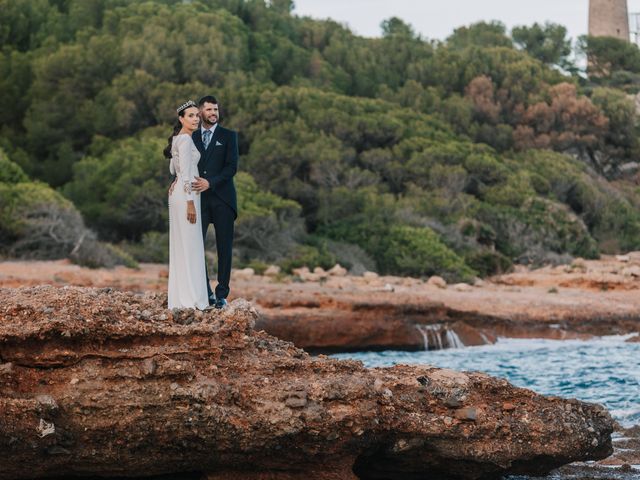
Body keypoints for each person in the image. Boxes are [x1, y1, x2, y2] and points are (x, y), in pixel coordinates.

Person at [191, 95, 239, 309]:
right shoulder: (190, 137)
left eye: (216, 109)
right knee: (196, 246)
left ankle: (221, 294)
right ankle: (206, 291)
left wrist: (211, 182)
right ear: (201, 112)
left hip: (223, 200)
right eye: (209, 109)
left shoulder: (229, 136)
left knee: (224, 248)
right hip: (199, 201)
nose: (213, 113)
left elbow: (231, 168)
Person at [165, 100, 209, 310]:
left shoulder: (178, 139)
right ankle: (193, 300)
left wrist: (177, 180)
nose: (195, 119)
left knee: (183, 245)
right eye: (190, 116)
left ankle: (183, 298)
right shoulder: (184, 140)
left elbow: (174, 170)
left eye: (196, 115)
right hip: (187, 197)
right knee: (190, 246)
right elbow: (185, 173)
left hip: (181, 194)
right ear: (181, 119)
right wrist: (190, 202)